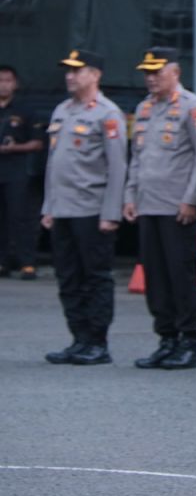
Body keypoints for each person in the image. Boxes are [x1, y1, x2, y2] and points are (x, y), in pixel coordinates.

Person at [124, 47, 196, 371]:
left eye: (157, 72)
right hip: (149, 205)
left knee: (180, 276)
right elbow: (137, 157)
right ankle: (166, 339)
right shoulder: (144, 108)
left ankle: (188, 342)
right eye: (147, 73)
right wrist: (130, 195)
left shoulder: (193, 107)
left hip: (178, 208)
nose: (151, 79)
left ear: (175, 72)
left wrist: (192, 199)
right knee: (156, 277)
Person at [40, 50, 127, 365]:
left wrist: (111, 212)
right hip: (63, 209)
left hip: (91, 209)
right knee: (68, 278)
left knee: (95, 277)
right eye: (68, 70)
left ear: (95, 75)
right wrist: (48, 206)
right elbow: (53, 164)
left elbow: (117, 167)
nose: (70, 76)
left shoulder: (107, 113)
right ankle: (78, 338)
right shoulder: (62, 110)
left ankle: (97, 343)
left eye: (77, 70)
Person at [0, 64, 42, 279]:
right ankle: (2, 262)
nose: (3, 85)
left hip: (16, 171)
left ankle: (27, 263)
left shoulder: (25, 110)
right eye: (0, 81)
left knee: (20, 217)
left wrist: (14, 148)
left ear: (15, 84)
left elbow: (38, 143)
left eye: (8, 80)